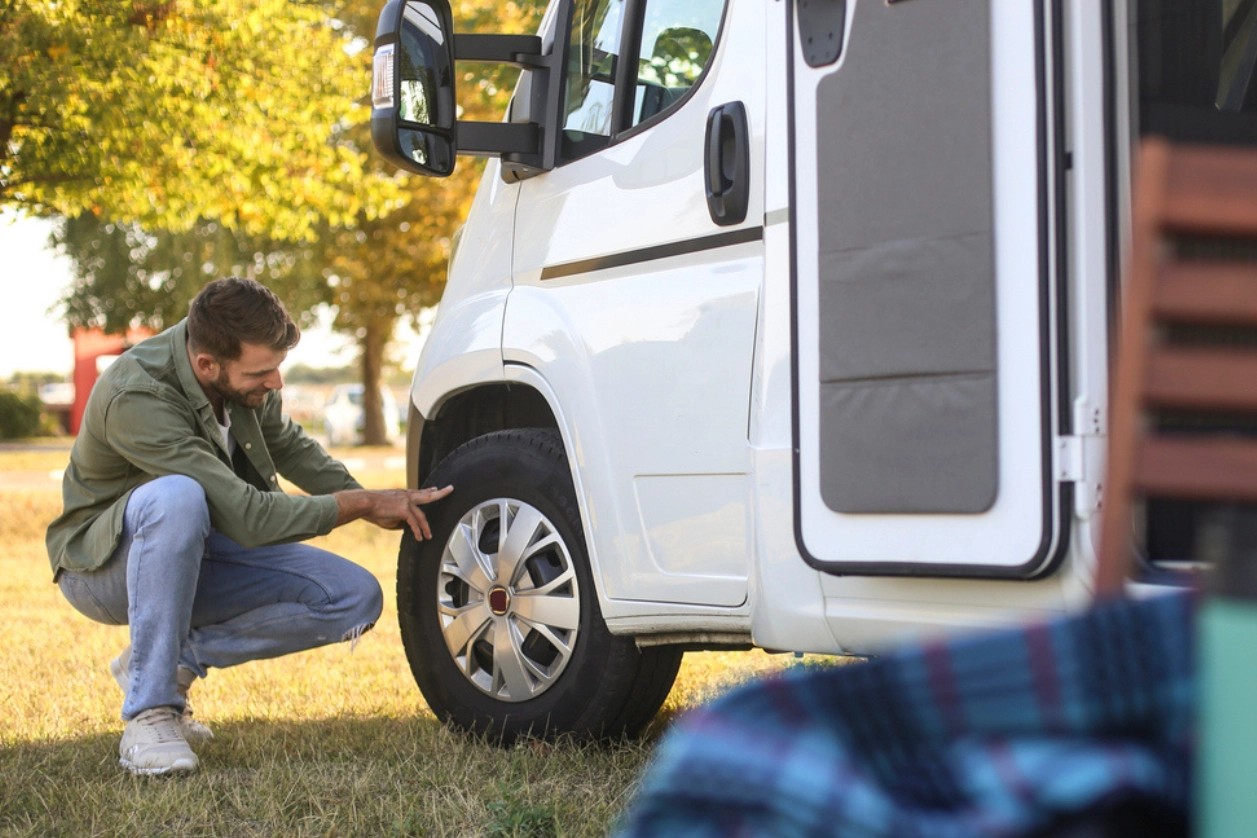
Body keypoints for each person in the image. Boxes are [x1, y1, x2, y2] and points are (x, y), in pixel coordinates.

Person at [45, 277, 452, 777]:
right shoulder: (138, 395)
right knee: (178, 497)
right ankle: (149, 714)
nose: (276, 383)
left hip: (204, 550)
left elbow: (290, 447)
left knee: (353, 597)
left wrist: (373, 504)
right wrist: (359, 502)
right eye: (263, 371)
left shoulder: (241, 380)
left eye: (278, 368)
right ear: (206, 365)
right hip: (103, 569)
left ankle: (166, 660)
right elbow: (250, 517)